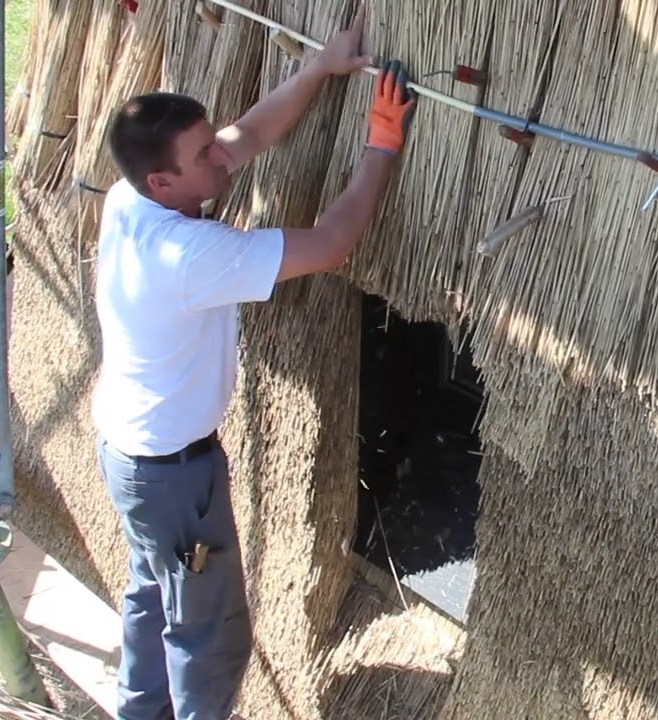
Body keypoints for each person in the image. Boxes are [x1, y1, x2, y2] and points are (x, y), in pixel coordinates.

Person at [89, 4, 417, 718]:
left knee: (155, 599)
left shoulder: (132, 197)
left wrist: (320, 67)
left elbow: (249, 136)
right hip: (172, 474)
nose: (221, 157)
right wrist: (382, 144)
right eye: (203, 157)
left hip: (131, 455)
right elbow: (331, 244)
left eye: (210, 142)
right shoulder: (186, 255)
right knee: (209, 638)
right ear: (163, 182)